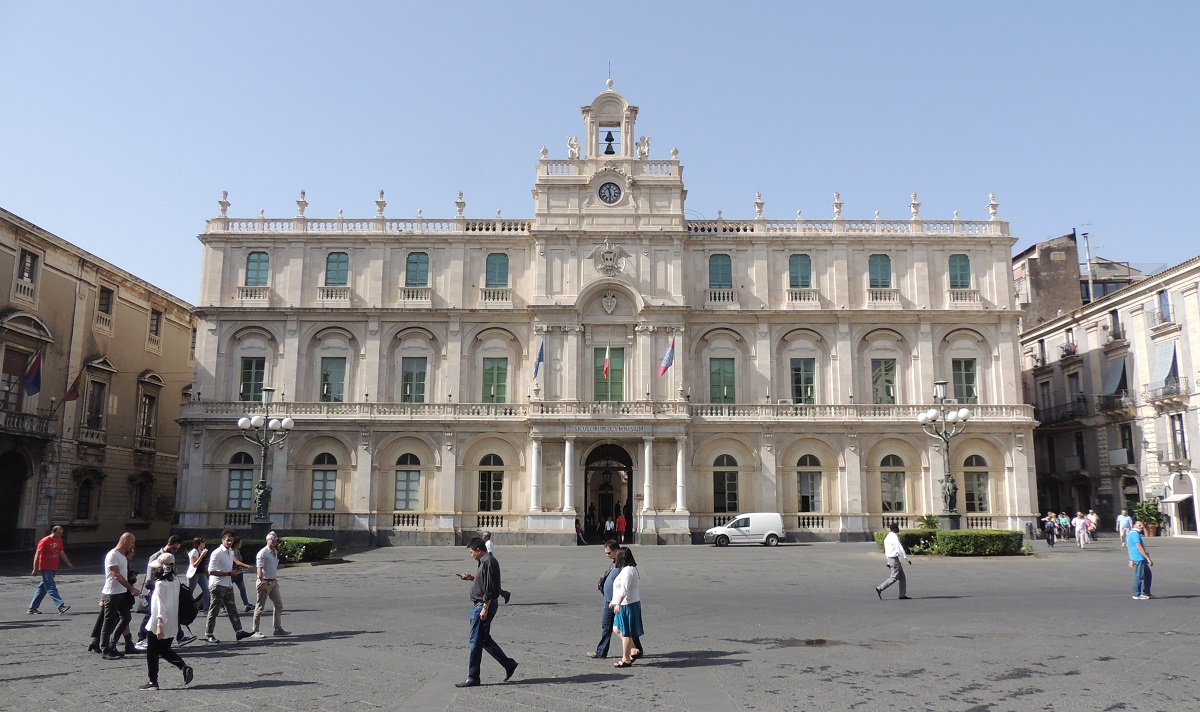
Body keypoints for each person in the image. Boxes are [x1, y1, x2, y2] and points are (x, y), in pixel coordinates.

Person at [454, 537, 518, 687]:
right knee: (483, 639)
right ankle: (508, 664)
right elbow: (486, 580)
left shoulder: (489, 562)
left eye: (471, 552)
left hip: (482, 606)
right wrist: (472, 578)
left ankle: (473, 677)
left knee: (475, 642)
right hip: (484, 604)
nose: (471, 555)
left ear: (478, 550)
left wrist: (485, 608)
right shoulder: (484, 561)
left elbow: (489, 588)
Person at [139, 554, 194, 691]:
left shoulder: (160, 584)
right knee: (164, 650)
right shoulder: (175, 581)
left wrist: (159, 625)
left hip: (160, 622)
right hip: (172, 622)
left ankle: (153, 682)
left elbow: (160, 606)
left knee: (152, 653)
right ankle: (183, 667)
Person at [135, 535, 193, 650]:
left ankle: (179, 636)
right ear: (169, 544)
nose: (176, 551)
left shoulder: (170, 557)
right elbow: (150, 575)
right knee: (151, 615)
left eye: (177, 549)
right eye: (175, 548)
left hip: (166, 587)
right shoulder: (156, 557)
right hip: (155, 588)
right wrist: (153, 587)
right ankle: (141, 638)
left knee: (170, 610)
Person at [203, 529, 253, 643]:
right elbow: (210, 571)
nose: (229, 543)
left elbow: (228, 568)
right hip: (217, 585)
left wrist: (234, 572)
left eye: (231, 541)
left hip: (227, 584)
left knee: (232, 609)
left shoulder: (230, 552)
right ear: (223, 540)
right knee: (214, 610)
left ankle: (239, 631)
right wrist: (229, 573)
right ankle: (209, 634)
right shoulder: (217, 553)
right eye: (227, 540)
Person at [98, 532, 140, 659]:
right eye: (132, 542)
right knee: (109, 621)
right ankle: (105, 649)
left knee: (126, 617)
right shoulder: (113, 555)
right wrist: (131, 588)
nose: (133, 545)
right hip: (112, 593)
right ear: (125, 541)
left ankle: (112, 644)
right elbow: (116, 575)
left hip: (121, 592)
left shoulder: (121, 555)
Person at [609, 547, 644, 668]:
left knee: (625, 632)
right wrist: (614, 601)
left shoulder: (629, 570)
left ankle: (626, 659)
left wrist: (618, 603)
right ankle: (634, 649)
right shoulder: (626, 569)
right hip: (623, 603)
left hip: (627, 604)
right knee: (616, 628)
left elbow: (624, 589)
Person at [250, 531, 288, 637]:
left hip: (273, 582)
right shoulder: (263, 553)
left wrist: (275, 581)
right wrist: (262, 582)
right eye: (272, 539)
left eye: (275, 539)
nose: (274, 541)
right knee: (260, 607)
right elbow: (259, 569)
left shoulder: (274, 552)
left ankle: (277, 628)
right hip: (264, 582)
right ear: (267, 540)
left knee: (278, 604)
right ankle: (255, 630)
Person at [29, 525, 74, 614]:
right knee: (51, 587)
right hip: (45, 567)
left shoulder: (59, 540)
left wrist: (68, 563)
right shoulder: (45, 541)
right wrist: (35, 569)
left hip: (53, 566)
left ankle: (32, 608)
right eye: (58, 533)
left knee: (42, 588)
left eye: (61, 533)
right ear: (53, 532)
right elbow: (37, 555)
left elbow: (61, 552)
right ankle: (60, 606)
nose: (60, 535)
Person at [588, 540, 621, 659]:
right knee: (608, 626)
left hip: (616, 602)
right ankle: (601, 651)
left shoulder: (622, 565)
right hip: (610, 600)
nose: (607, 555)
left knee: (613, 626)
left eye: (609, 553)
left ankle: (635, 649)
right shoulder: (614, 562)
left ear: (616, 551)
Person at [875, 523, 912, 600]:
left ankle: (902, 594)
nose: (898, 529)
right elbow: (899, 549)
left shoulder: (887, 537)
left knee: (902, 577)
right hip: (894, 559)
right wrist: (907, 559)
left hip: (890, 558)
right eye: (897, 527)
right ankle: (880, 588)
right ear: (894, 528)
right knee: (894, 577)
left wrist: (888, 562)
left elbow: (887, 551)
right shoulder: (894, 537)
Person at [480, 531, 511, 604]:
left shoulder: (488, 544)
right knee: (490, 583)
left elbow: (489, 554)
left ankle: (502, 594)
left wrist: (486, 563)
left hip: (489, 564)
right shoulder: (487, 543)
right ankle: (504, 594)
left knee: (490, 583)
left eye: (483, 536)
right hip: (488, 563)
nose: (482, 537)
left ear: (487, 537)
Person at [1127, 520, 1153, 600]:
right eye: (1139, 525)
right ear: (1134, 525)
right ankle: (1136, 594)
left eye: (1142, 525)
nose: (1141, 526)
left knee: (1148, 574)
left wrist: (1130, 559)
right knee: (1139, 575)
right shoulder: (1134, 534)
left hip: (1137, 557)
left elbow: (1129, 547)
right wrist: (1148, 558)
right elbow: (1139, 547)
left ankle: (1146, 592)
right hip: (1139, 557)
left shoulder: (1132, 534)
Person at [185, 536, 210, 612]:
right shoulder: (194, 552)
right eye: (203, 542)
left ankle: (206, 609)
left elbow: (203, 563)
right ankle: (186, 608)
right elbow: (194, 564)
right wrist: (202, 556)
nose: (204, 543)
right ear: (198, 543)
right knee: (190, 592)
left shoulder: (202, 550)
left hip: (201, 574)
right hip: (194, 574)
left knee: (206, 590)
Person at [230, 537, 255, 612]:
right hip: (232, 574)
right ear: (236, 544)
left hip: (239, 574)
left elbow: (239, 563)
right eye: (240, 542)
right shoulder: (231, 552)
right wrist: (247, 566)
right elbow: (237, 562)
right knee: (226, 591)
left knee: (243, 589)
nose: (241, 544)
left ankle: (246, 604)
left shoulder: (237, 551)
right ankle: (222, 606)